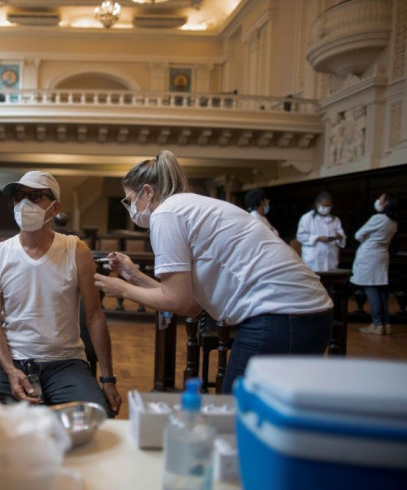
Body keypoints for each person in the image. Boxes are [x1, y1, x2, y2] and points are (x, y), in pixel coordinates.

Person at [94, 150, 333, 394]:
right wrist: (134, 275)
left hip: (282, 314)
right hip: (307, 313)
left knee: (237, 408)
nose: (130, 208)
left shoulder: (166, 214)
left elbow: (177, 300)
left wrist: (122, 289)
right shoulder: (189, 205)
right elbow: (192, 304)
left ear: (147, 191)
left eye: (129, 200)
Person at [0, 171, 122, 416]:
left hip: (66, 362)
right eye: (19, 197)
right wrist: (9, 370)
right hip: (13, 360)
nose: (24, 204)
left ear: (55, 207)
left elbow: (94, 316)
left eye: (35, 196)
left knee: (95, 418)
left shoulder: (76, 251)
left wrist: (108, 379)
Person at [351, 193, 398, 335]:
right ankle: (385, 324)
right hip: (382, 255)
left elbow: (358, 235)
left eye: (381, 199)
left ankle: (376, 324)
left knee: (371, 289)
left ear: (386, 204)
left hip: (370, 256)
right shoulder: (393, 221)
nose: (378, 201)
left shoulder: (378, 218)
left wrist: (368, 237)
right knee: (381, 290)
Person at [296, 192, 346, 272]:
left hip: (330, 257)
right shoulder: (307, 218)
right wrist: (318, 238)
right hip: (313, 257)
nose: (326, 208)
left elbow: (341, 236)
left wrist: (338, 237)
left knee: (330, 281)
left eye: (328, 206)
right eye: (323, 205)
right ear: (317, 204)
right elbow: (301, 236)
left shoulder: (335, 219)